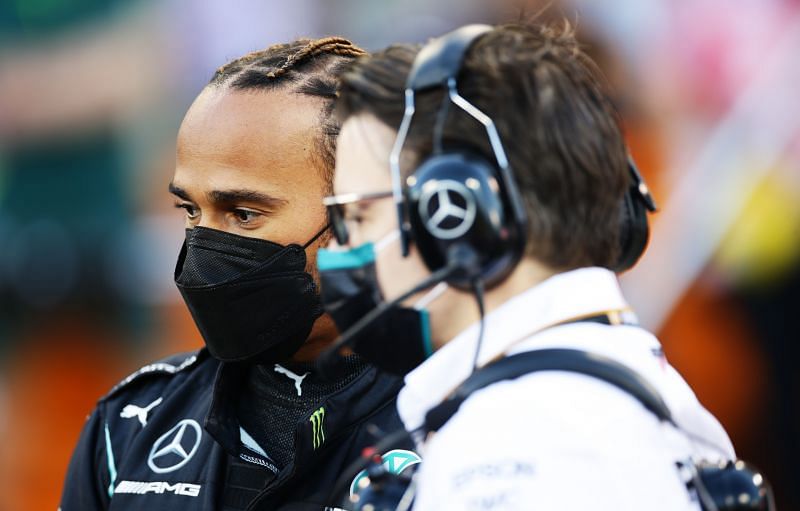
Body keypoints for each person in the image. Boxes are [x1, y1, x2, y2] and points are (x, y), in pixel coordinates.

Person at [318, 22, 741, 510]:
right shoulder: (599, 387)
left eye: (357, 215)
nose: (342, 247)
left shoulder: (518, 436)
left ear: (453, 214)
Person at [60, 37, 414, 511]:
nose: (203, 248)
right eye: (189, 210)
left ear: (366, 215)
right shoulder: (128, 427)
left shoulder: (474, 422)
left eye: (243, 214)